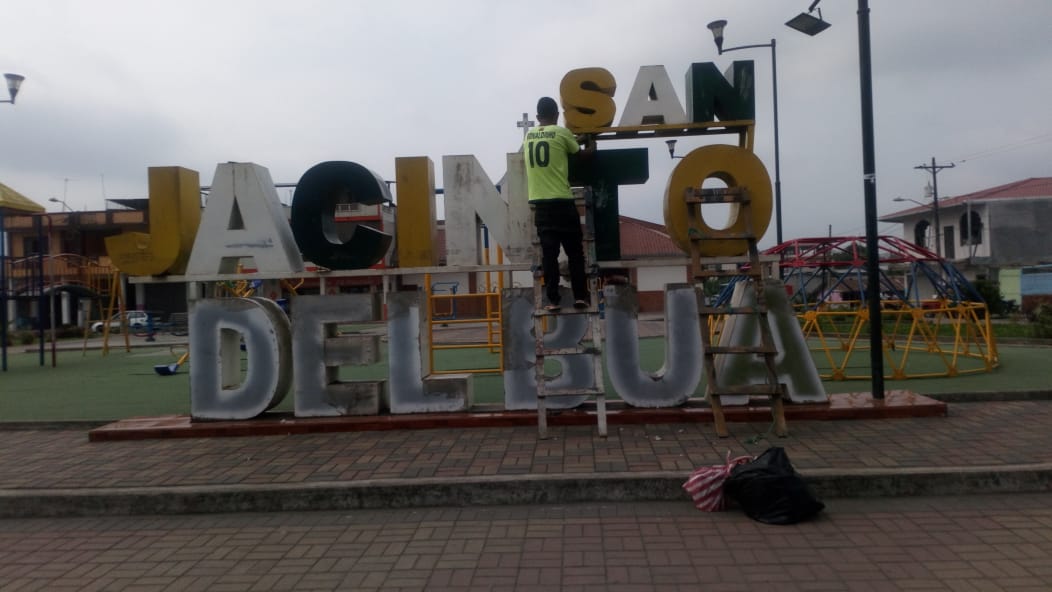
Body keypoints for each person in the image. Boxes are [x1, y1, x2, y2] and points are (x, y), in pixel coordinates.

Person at [523, 96, 595, 312]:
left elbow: (554, 142)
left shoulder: (528, 136)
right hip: (563, 203)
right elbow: (581, 154)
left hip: (541, 206)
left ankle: (552, 300)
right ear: (556, 115)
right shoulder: (562, 133)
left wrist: (574, 139)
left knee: (549, 255)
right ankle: (580, 297)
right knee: (575, 253)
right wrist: (591, 143)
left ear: (538, 117)